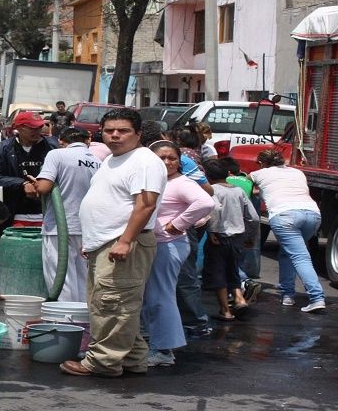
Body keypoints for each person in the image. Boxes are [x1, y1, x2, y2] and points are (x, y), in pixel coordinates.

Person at [60, 108, 166, 378]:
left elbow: (145, 205)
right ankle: (132, 359)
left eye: (123, 131)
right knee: (112, 304)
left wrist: (125, 240)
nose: (115, 135)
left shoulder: (144, 161)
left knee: (113, 304)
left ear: (138, 134)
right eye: (109, 131)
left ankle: (103, 362)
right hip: (105, 243)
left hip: (123, 244)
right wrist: (92, 241)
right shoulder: (113, 159)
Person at [142, 140, 213, 367]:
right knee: (152, 296)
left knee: (160, 296)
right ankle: (154, 343)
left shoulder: (180, 182)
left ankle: (162, 349)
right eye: (162, 157)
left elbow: (205, 202)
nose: (167, 162)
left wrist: (178, 224)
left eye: (172, 158)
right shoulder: (157, 181)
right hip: (158, 243)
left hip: (169, 244)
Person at [250, 149, 325, 313]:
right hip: (312, 215)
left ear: (263, 163)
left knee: (299, 256)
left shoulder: (259, 173)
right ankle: (287, 294)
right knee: (287, 253)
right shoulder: (298, 173)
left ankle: (317, 297)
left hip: (284, 216)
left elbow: (246, 186)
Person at [33, 127, 100, 302]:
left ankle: (65, 323)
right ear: (88, 140)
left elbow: (44, 187)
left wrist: (34, 184)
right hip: (89, 228)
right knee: (83, 278)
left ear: (61, 141)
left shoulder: (57, 155)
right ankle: (83, 324)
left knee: (61, 280)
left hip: (60, 227)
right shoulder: (99, 161)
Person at [202, 159, 258, 322]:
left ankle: (225, 310)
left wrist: (212, 229)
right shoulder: (238, 191)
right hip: (238, 237)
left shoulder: (212, 190)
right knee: (232, 269)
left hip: (220, 237)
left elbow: (215, 209)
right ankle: (240, 299)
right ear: (228, 174)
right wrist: (250, 237)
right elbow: (253, 217)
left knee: (217, 272)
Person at [0, 111, 59, 226]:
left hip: (49, 211)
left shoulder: (53, 147)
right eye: (32, 128)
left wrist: (44, 186)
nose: (37, 131)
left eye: (39, 127)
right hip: (14, 211)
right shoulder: (3, 149)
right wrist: (22, 184)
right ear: (18, 128)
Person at [220, 156, 263, 301]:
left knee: (226, 260)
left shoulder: (226, 181)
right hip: (244, 225)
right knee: (237, 258)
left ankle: (244, 283)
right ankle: (240, 286)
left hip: (228, 224)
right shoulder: (247, 181)